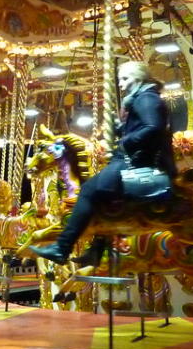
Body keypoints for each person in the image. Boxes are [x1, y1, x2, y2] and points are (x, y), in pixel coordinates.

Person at [29, 60, 177, 265]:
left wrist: (126, 140)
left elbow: (153, 128)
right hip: (135, 157)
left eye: (125, 79)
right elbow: (144, 128)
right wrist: (120, 129)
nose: (122, 84)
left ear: (138, 78)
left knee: (89, 190)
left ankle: (62, 247)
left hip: (138, 161)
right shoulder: (142, 99)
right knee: (103, 195)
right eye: (120, 80)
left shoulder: (146, 99)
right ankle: (97, 249)